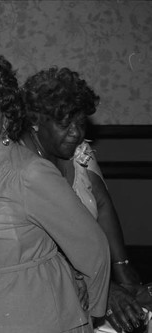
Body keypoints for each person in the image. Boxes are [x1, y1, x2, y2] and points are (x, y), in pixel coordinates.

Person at [0, 53, 110, 333]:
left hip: (34, 319)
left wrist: (90, 314)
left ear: (6, 114)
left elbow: (95, 249)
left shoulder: (30, 173)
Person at [20, 66, 151, 332]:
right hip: (42, 291)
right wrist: (103, 288)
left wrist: (121, 267)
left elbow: (101, 204)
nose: (75, 133)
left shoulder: (79, 152)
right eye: (64, 124)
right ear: (34, 120)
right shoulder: (20, 167)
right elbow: (42, 248)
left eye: (80, 123)